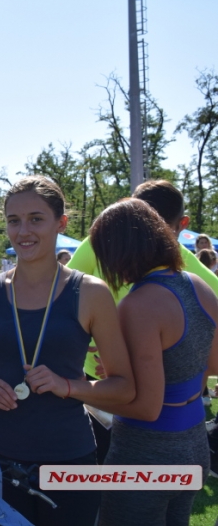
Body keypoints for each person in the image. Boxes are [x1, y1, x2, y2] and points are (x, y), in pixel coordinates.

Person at [0, 176, 134, 526]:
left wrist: (68, 386)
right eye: (13, 220)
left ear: (60, 223)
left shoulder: (91, 293)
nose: (23, 231)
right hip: (0, 459)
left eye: (36, 218)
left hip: (69, 461)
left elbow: (124, 386)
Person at [89, 199, 218, 526]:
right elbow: (210, 364)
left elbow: (147, 408)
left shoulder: (138, 303)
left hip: (145, 456)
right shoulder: (198, 284)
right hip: (194, 446)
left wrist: (75, 389)